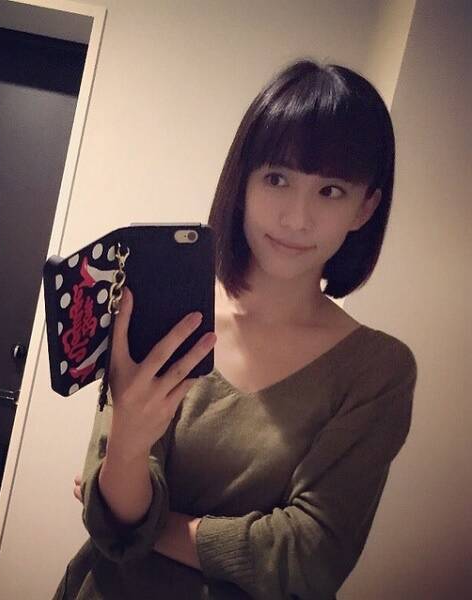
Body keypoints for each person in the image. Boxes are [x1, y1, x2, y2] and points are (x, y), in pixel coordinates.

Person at [53, 57, 418, 600]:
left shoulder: (376, 370)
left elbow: (309, 559)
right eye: (277, 178)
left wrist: (149, 525)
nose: (296, 218)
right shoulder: (166, 312)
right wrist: (126, 445)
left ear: (365, 208)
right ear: (242, 181)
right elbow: (110, 520)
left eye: (331, 191)